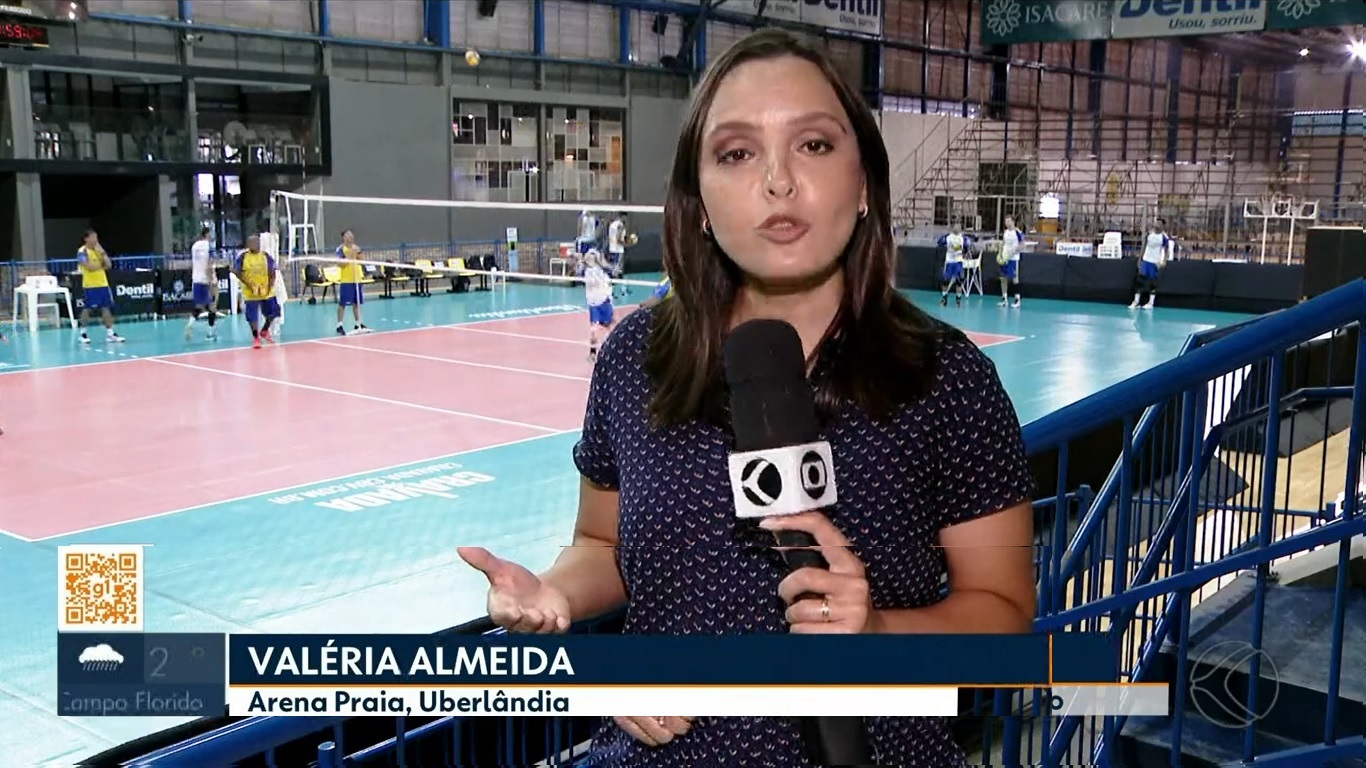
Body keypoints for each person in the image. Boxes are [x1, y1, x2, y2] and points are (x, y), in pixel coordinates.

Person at [457, 28, 1036, 768]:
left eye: (814, 145)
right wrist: (555, 594)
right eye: (736, 153)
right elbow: (602, 546)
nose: (778, 181)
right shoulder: (637, 357)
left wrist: (876, 635)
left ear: (864, 182)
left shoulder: (947, 378)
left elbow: (1005, 614)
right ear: (698, 201)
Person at [75, 230, 125, 344]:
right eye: (93, 238)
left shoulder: (98, 250)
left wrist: (102, 253)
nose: (95, 240)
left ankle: (110, 334)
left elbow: (109, 265)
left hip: (103, 284)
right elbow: (88, 267)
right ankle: (82, 333)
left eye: (96, 238)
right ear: (86, 239)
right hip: (90, 285)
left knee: (106, 308)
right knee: (88, 309)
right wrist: (100, 266)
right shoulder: (82, 252)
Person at [232, 234, 279, 350]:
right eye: (250, 243)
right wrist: (248, 284)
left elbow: (273, 272)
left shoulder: (265, 256)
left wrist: (269, 287)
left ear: (259, 243)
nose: (252, 245)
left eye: (255, 242)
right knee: (252, 317)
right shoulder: (243, 257)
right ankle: (256, 337)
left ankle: (264, 330)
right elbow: (236, 271)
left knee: (275, 311)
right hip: (250, 292)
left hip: (265, 290)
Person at [579, 249, 615, 362]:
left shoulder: (602, 270)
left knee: (607, 327)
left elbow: (611, 272)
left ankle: (610, 350)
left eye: (592, 255)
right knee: (595, 329)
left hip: (602, 301)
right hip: (595, 303)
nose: (590, 257)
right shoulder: (586, 270)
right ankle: (594, 353)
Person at [184, 227, 219, 341]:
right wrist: (211, 280)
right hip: (207, 280)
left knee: (200, 306)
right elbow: (210, 264)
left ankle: (190, 324)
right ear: (207, 234)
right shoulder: (209, 247)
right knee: (212, 306)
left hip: (196, 279)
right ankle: (210, 333)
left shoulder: (194, 246)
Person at [1129, 218, 1172, 310]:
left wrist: (1163, 261)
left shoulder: (1164, 237)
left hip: (1155, 262)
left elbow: (1166, 250)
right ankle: (1136, 302)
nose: (1157, 225)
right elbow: (1144, 246)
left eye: (1159, 224)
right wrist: (1140, 259)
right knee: (1140, 281)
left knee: (1153, 283)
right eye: (1156, 223)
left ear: (1163, 226)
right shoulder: (1149, 234)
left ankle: (1150, 303)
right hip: (1146, 260)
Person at [336, 229, 370, 335]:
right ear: (344, 237)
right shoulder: (340, 249)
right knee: (343, 303)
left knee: (357, 303)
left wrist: (358, 253)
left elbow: (362, 260)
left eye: (351, 234)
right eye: (348, 235)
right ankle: (339, 325)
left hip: (357, 279)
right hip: (346, 280)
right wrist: (351, 253)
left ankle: (358, 323)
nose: (351, 236)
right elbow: (341, 263)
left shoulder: (356, 248)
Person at [938, 225, 972, 306]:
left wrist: (964, 252)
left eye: (958, 226)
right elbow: (939, 242)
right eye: (955, 226)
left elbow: (967, 247)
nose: (957, 228)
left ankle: (958, 301)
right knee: (945, 281)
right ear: (952, 228)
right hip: (949, 261)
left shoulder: (963, 238)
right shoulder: (948, 237)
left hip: (958, 262)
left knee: (959, 281)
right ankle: (944, 299)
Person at [998, 215, 1023, 308]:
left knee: (1014, 278)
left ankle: (1017, 299)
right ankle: (1004, 299)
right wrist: (1000, 253)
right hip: (1004, 258)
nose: (1007, 223)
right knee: (1003, 278)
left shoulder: (1018, 232)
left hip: (1013, 259)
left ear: (1013, 222)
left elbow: (1022, 245)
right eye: (1006, 221)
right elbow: (1003, 243)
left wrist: (1014, 251)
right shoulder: (1005, 232)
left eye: (1008, 221)